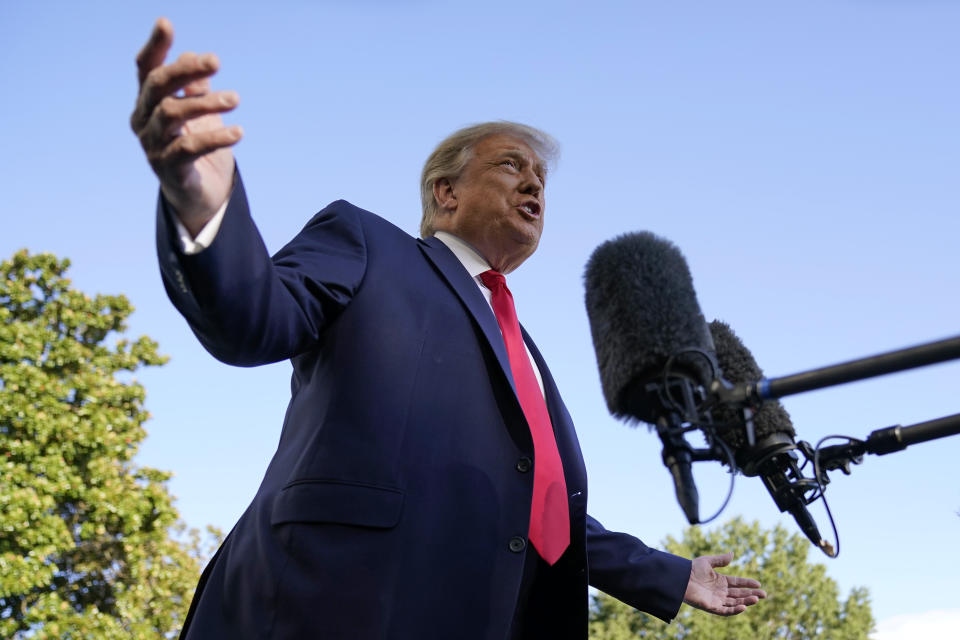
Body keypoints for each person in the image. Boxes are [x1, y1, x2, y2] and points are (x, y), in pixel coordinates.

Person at [131, 18, 766, 640]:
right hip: (326, 604)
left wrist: (667, 574)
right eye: (512, 166)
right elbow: (252, 318)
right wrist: (204, 205)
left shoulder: (527, 353)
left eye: (541, 178)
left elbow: (542, 508)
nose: (534, 184)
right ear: (446, 193)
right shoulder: (367, 244)